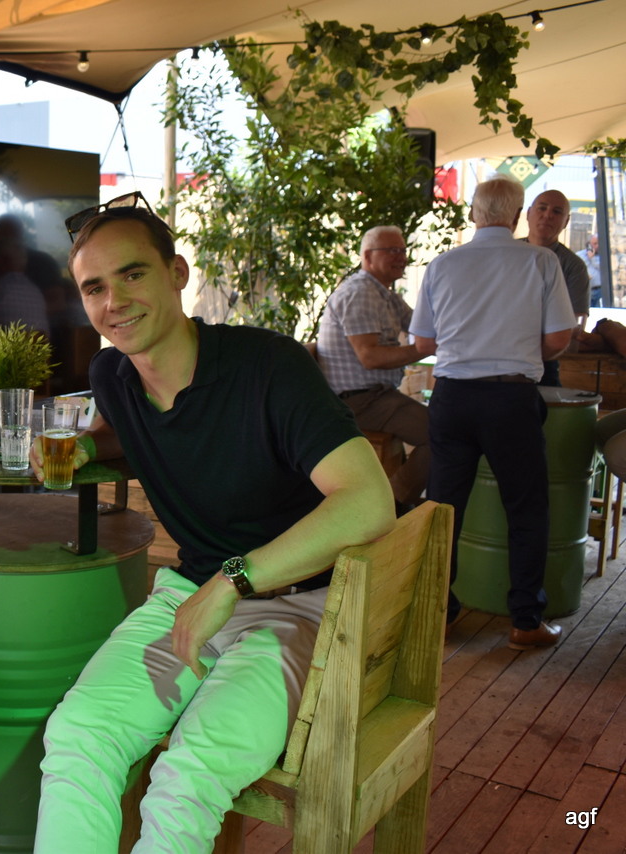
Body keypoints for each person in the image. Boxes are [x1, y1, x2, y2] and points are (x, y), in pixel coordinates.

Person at [30, 203, 394, 850]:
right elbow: (127, 428)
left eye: (132, 275)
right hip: (190, 597)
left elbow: (369, 502)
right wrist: (86, 446)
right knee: (79, 736)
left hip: (299, 607)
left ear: (177, 273)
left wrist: (233, 581)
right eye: (94, 287)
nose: (114, 302)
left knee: (188, 776)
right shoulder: (113, 375)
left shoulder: (268, 367)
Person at [410, 175, 577, 650]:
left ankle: (438, 615)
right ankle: (525, 620)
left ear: (473, 214)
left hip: (452, 398)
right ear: (518, 215)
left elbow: (422, 343)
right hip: (510, 399)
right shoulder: (541, 261)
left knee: (443, 510)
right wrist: (515, 350)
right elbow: (559, 339)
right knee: (526, 508)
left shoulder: (442, 264)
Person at [317, 225, 430, 511]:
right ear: (367, 257)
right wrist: (423, 348)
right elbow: (370, 357)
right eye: (392, 251)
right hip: (357, 401)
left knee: (445, 428)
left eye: (403, 250)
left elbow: (423, 327)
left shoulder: (384, 294)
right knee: (443, 435)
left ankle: (396, 501)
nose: (401, 257)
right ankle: (390, 506)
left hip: (377, 396)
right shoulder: (361, 293)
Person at [523, 189, 589, 385]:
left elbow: (576, 325)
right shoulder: (505, 254)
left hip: (545, 360)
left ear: (566, 221)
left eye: (557, 211)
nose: (548, 215)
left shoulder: (573, 266)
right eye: (542, 208)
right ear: (528, 213)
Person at [579, 234, 603, 307]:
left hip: (600, 290)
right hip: (587, 290)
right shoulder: (580, 255)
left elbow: (603, 268)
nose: (597, 246)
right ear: (589, 244)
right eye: (595, 244)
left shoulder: (603, 256)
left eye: (599, 243)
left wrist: (592, 258)